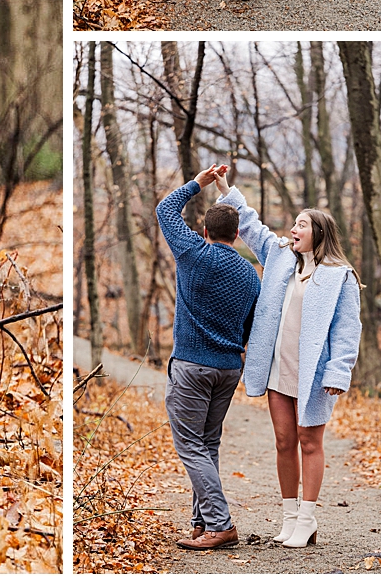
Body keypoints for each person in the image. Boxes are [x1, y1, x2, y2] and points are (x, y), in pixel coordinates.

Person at [213, 168, 362, 549]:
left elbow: (348, 329)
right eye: (294, 223)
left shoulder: (339, 276)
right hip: (279, 366)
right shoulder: (279, 257)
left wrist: (338, 371)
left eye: (301, 224)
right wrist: (226, 190)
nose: (293, 229)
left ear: (319, 234)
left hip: (314, 373)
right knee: (283, 440)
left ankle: (308, 519)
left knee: (309, 441)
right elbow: (250, 224)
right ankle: (290, 517)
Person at [153, 165, 262, 551]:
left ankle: (221, 524)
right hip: (228, 368)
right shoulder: (251, 276)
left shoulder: (193, 252)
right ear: (236, 235)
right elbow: (251, 328)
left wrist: (198, 183)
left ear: (205, 231)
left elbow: (165, 210)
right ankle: (202, 522)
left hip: (192, 368)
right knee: (208, 444)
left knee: (191, 445)